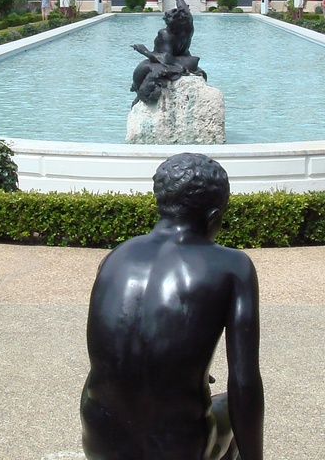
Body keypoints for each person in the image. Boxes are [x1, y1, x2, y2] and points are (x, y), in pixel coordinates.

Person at [81, 153, 264, 460]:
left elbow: (114, 353)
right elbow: (244, 383)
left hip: (101, 443)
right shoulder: (233, 267)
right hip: (178, 450)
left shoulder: (116, 257)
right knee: (229, 411)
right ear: (214, 215)